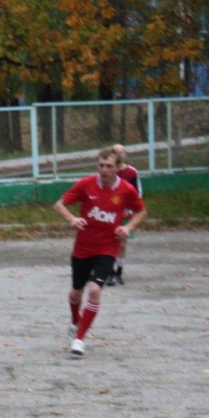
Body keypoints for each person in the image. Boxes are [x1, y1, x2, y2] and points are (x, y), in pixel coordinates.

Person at [53, 146, 147, 357]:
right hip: (83, 247)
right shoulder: (86, 184)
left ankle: (79, 340)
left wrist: (128, 227)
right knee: (76, 292)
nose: (104, 170)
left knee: (95, 290)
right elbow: (59, 205)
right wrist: (72, 219)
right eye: (101, 165)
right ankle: (75, 320)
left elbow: (142, 210)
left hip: (108, 247)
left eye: (109, 166)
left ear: (117, 168)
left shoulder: (125, 189)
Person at [107, 143, 143, 286]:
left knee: (122, 243)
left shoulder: (132, 172)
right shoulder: (108, 171)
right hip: (109, 213)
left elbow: (137, 192)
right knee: (108, 242)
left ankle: (119, 272)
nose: (120, 154)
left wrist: (131, 208)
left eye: (122, 151)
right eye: (116, 152)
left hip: (125, 213)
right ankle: (109, 272)